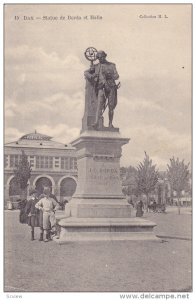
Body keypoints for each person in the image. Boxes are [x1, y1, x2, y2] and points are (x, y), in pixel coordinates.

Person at [84, 50, 120, 129]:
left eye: (101, 57)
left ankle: (110, 124)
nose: (100, 59)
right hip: (101, 87)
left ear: (105, 56)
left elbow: (117, 76)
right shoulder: (96, 66)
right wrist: (92, 76)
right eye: (99, 58)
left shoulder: (112, 65)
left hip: (111, 87)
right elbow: (86, 72)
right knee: (99, 105)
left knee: (111, 107)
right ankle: (96, 122)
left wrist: (111, 76)